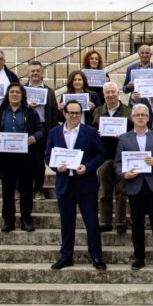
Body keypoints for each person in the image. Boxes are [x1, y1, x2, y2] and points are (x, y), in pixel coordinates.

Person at [45, 100, 106, 271]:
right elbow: (48, 155)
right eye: (71, 113)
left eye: (77, 113)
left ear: (81, 114)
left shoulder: (91, 132)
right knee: (66, 222)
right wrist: (57, 167)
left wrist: (87, 167)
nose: (74, 116)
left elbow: (100, 155)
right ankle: (66, 256)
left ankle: (96, 256)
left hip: (85, 184)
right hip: (65, 184)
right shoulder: (54, 132)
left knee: (92, 222)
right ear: (64, 114)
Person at [114, 104, 153, 270]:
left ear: (148, 118)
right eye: (137, 115)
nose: (140, 117)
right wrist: (124, 174)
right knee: (137, 222)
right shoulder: (124, 138)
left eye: (143, 115)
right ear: (132, 118)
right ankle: (139, 256)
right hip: (134, 185)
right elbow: (117, 163)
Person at [0, 83, 44, 232]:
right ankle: (8, 220)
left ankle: (26, 220)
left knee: (26, 191)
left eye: (17, 92)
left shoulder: (30, 112)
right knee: (8, 191)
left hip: (26, 158)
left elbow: (40, 130)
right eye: (12, 92)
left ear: (22, 95)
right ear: (7, 95)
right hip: (5, 158)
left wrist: (34, 137)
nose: (14, 94)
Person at [91, 82, 132, 234]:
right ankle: (105, 221)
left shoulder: (128, 111)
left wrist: (124, 136)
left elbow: (135, 132)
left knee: (121, 191)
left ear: (118, 93)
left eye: (113, 92)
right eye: (107, 92)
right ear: (103, 94)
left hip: (122, 157)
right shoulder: (98, 111)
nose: (110, 95)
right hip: (104, 157)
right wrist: (97, 134)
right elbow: (92, 131)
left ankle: (121, 221)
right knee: (104, 191)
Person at [24, 60, 58, 200]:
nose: (35, 73)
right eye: (32, 71)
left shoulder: (49, 91)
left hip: (44, 127)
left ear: (42, 72)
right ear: (28, 73)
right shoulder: (22, 90)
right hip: (27, 128)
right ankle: (24, 189)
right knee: (26, 161)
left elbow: (54, 111)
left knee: (39, 160)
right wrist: (27, 105)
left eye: (38, 70)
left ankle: (38, 189)